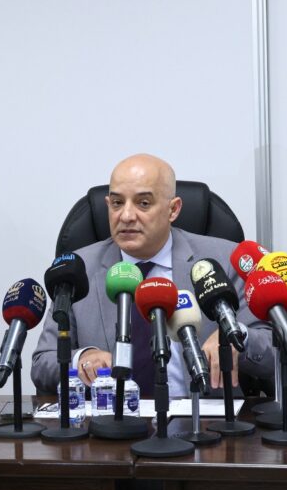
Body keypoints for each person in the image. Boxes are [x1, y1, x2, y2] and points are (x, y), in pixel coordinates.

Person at [30, 154, 273, 396]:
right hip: (112, 417)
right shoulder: (79, 270)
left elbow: (274, 350)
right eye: (117, 203)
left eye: (143, 203)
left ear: (173, 209)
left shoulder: (224, 260)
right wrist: (81, 359)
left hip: (203, 416)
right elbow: (42, 363)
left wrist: (239, 336)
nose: (126, 216)